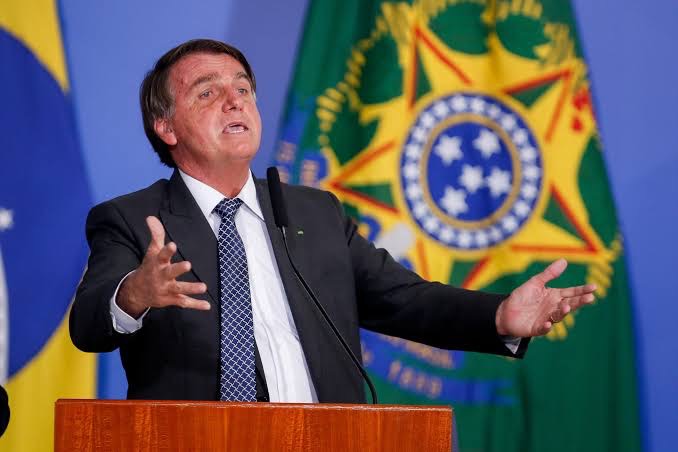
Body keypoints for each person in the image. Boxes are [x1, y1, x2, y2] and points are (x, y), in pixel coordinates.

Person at [69, 39, 596, 403]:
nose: (234, 101)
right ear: (165, 127)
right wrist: (133, 294)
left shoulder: (313, 213)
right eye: (207, 92)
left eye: (243, 89)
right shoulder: (132, 220)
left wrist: (498, 315)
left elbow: (405, 300)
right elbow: (88, 325)